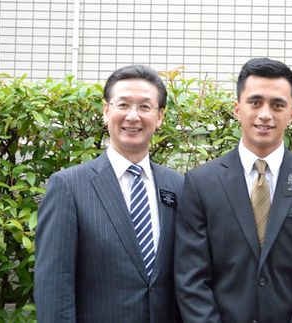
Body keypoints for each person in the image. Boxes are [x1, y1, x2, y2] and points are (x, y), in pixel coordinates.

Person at [174, 57, 292, 323]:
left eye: (277, 105)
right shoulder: (201, 183)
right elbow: (191, 276)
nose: (265, 114)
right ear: (238, 109)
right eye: (255, 102)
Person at [34, 65, 183, 323]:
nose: (133, 116)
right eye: (123, 105)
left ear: (160, 117)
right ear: (106, 111)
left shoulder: (177, 186)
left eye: (145, 107)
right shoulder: (69, 187)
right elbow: (54, 287)